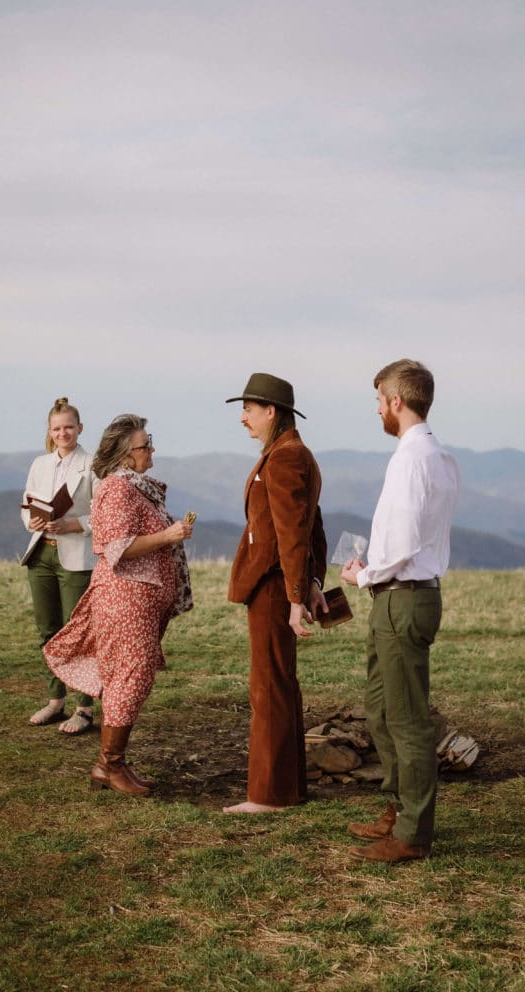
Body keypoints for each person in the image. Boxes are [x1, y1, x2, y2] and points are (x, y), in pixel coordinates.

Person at [341, 359, 460, 863]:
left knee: (407, 718)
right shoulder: (438, 457)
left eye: (378, 401)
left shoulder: (413, 459)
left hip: (402, 597)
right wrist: (374, 564)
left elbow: (410, 540)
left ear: (396, 401)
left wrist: (363, 574)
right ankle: (398, 805)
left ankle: (413, 833)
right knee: (380, 706)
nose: (377, 410)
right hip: (398, 592)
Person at [43, 414, 194, 796]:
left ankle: (112, 763)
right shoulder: (117, 489)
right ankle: (108, 766)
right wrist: (168, 535)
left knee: (133, 677)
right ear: (126, 454)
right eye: (146, 445)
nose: (152, 449)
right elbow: (116, 548)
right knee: (131, 677)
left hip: (139, 600)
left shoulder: (137, 487)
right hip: (125, 600)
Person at [223, 373, 328, 814]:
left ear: (272, 412)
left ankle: (267, 796)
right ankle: (287, 788)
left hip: (272, 586)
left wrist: (297, 597)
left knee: (269, 685)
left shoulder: (286, 458)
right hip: (277, 584)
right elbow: (311, 525)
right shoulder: (287, 453)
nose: (243, 417)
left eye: (249, 408)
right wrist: (314, 581)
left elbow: (292, 533)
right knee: (278, 682)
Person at [21, 397, 98, 734]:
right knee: (48, 631)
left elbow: (103, 512)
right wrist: (34, 521)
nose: (63, 432)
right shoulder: (39, 464)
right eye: (57, 428)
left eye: (69, 427)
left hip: (77, 557)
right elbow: (26, 505)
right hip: (41, 555)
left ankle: (83, 708)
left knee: (78, 632)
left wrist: (73, 524)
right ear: (49, 432)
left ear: (80, 428)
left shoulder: (95, 465)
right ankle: (55, 701)